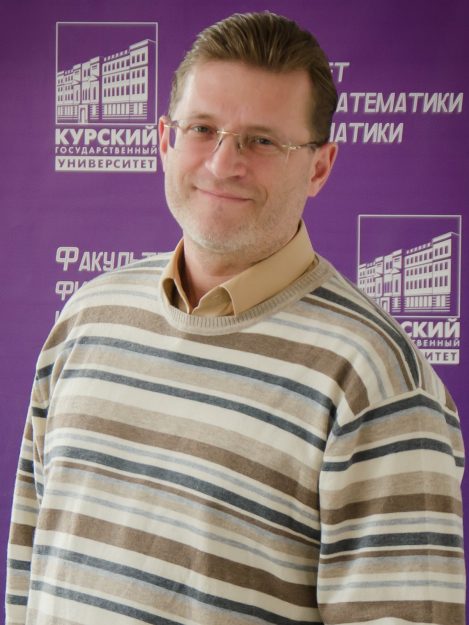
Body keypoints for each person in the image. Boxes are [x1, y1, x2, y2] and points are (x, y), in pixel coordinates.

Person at [6, 11, 465, 625]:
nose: (224, 164)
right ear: (165, 140)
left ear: (320, 166)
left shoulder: (374, 380)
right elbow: (29, 569)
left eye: (263, 140)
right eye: (203, 129)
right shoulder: (89, 316)